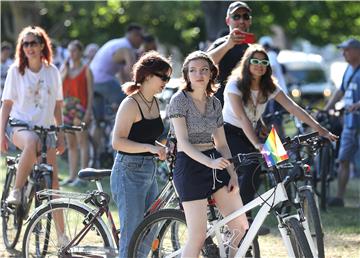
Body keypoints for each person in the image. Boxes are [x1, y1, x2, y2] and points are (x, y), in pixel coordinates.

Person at [222, 44, 338, 217]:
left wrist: (321, 130)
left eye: (264, 62)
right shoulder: (234, 85)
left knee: (279, 162)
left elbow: (294, 108)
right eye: (255, 61)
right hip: (231, 131)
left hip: (256, 129)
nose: (260, 65)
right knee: (251, 167)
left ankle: (283, 204)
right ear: (247, 63)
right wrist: (257, 144)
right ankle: (242, 216)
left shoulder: (269, 86)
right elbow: (242, 118)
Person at [167, 51, 248, 258]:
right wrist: (208, 162)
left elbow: (221, 143)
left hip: (216, 162)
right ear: (186, 74)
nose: (199, 74)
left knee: (240, 226)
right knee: (198, 235)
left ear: (212, 73)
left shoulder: (215, 103)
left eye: (204, 70)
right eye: (193, 70)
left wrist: (232, 174)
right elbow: (183, 143)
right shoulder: (179, 100)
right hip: (190, 166)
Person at [110, 51, 171, 258]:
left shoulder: (154, 102)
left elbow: (144, 138)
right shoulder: (130, 104)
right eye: (163, 77)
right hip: (128, 171)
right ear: (147, 76)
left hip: (148, 170)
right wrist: (151, 148)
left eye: (168, 78)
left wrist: (160, 148)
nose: (166, 82)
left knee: (150, 227)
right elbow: (117, 141)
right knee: (132, 233)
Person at [0, 25, 65, 204]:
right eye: (25, 44)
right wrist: (1, 136)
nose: (29, 47)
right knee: (31, 141)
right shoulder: (16, 71)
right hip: (18, 126)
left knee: (53, 183)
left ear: (42, 45)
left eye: (33, 43)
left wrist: (61, 135)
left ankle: (61, 233)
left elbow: (58, 107)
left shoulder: (53, 72)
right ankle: (17, 191)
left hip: (45, 130)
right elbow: (6, 105)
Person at [90, 24, 144, 165]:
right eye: (140, 37)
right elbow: (132, 71)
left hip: (92, 82)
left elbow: (122, 75)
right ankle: (121, 150)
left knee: (98, 122)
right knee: (130, 107)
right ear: (134, 35)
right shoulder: (126, 47)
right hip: (103, 81)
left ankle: (94, 158)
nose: (141, 41)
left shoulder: (116, 43)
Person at [324, 38, 360, 207]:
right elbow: (341, 91)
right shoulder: (348, 69)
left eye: (346, 50)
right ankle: (339, 197)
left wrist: (358, 105)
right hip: (350, 123)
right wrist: (327, 108)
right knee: (343, 159)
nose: (343, 53)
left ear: (357, 51)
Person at [60, 40, 93, 187]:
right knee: (70, 144)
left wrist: (88, 112)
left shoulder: (86, 69)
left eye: (74, 50)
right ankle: (72, 176)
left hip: (80, 108)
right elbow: (58, 86)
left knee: (82, 142)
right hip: (66, 107)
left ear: (80, 52)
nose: (71, 54)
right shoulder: (65, 68)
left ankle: (83, 176)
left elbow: (91, 93)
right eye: (69, 51)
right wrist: (65, 71)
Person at [207, 1, 253, 106]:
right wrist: (228, 45)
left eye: (245, 16)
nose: (241, 21)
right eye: (236, 17)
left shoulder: (252, 48)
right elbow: (204, 64)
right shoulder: (221, 43)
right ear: (228, 21)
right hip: (222, 106)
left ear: (250, 21)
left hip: (247, 105)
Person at [259, 36, 288, 138]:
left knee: (273, 120)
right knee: (273, 120)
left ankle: (279, 143)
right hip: (275, 92)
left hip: (275, 94)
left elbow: (271, 67)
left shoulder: (270, 55)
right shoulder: (272, 55)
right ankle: (280, 142)